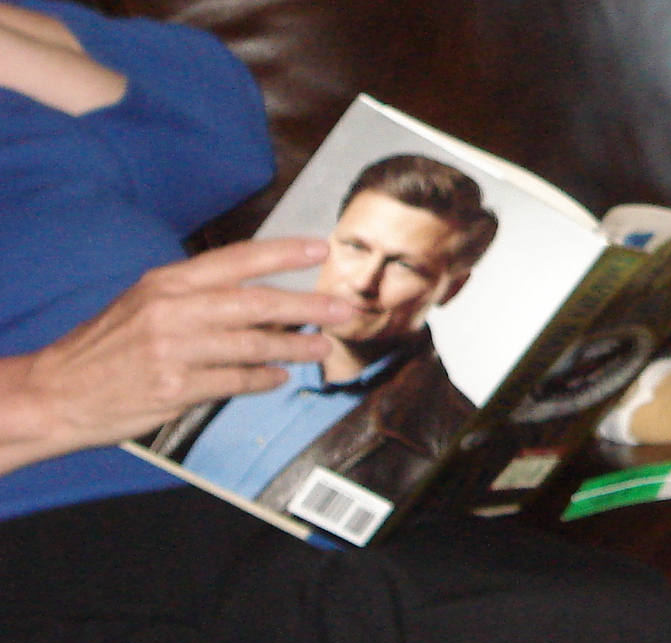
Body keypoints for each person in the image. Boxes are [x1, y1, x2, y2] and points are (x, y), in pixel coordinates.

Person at [0, 0, 671, 643]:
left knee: (629, 641)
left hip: (252, 501)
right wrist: (46, 395)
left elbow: (222, 141)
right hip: (35, 551)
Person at [148, 154, 495, 513]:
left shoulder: (451, 442)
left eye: (405, 265)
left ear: (452, 289)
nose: (363, 282)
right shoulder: (216, 334)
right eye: (356, 246)